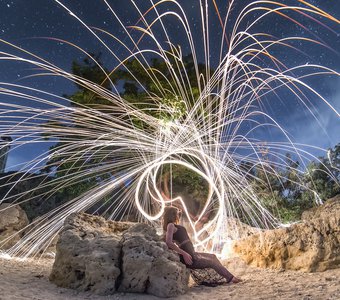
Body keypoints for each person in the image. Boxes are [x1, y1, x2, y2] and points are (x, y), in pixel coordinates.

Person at [163, 206, 241, 284]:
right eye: (177, 214)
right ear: (173, 215)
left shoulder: (173, 225)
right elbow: (169, 242)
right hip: (189, 256)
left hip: (192, 253)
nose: (178, 216)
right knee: (212, 263)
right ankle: (231, 278)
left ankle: (227, 276)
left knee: (213, 257)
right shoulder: (170, 225)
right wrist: (184, 254)